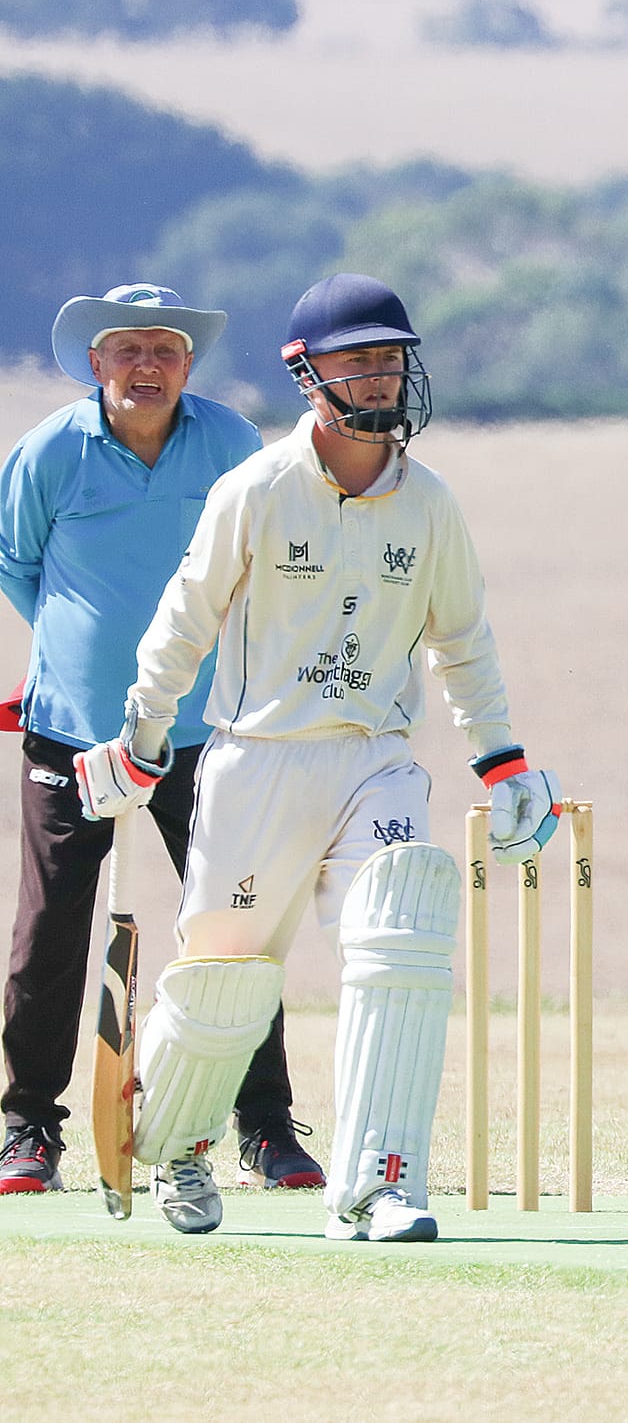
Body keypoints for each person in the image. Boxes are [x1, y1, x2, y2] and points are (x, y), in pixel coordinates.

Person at [73, 272, 561, 1242]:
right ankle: (174, 1145)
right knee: (226, 979)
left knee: (403, 930)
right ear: (305, 372)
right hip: (258, 760)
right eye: (359, 361)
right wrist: (142, 732)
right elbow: (186, 617)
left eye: (392, 361)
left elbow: (461, 640)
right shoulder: (253, 489)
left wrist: (499, 757)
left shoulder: (429, 504)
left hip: (373, 756)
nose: (381, 380)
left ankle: (379, 1182)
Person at [0, 284, 321, 1199]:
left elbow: (265, 554)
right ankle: (28, 1128)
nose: (147, 366)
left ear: (189, 363)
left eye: (166, 350)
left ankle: (263, 1125)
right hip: (72, 735)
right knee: (50, 930)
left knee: (232, 932)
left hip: (201, 729)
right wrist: (65, 646)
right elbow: (12, 556)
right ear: (96, 363)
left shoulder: (227, 443)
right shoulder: (52, 451)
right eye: (128, 350)